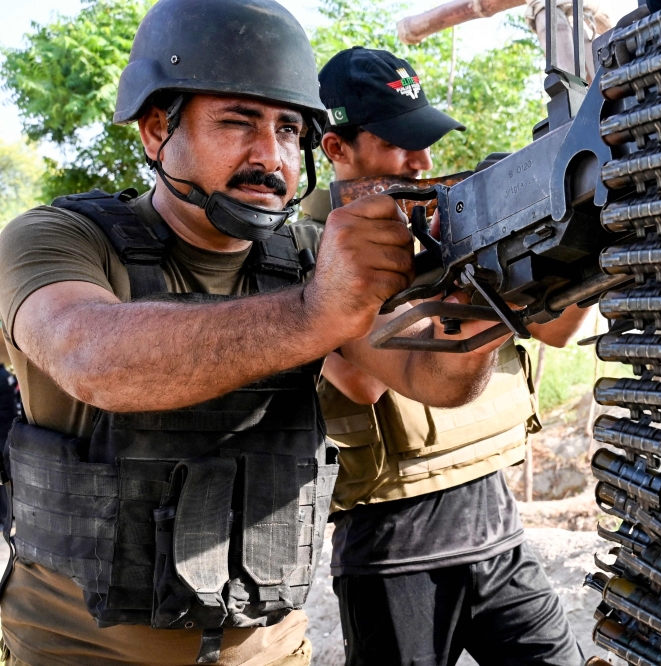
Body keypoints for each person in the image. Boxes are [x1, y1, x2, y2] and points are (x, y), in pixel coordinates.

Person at [0, 3, 506, 666]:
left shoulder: (312, 257)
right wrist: (312, 313)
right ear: (156, 130)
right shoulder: (59, 238)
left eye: (289, 129)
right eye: (238, 123)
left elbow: (438, 380)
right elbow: (91, 356)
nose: (270, 155)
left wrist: (495, 292)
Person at [296, 47, 591, 666]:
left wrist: (584, 244)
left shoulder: (445, 230)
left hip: (498, 530)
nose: (422, 162)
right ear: (336, 149)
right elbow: (383, 381)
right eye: (399, 144)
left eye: (424, 140)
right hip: (393, 555)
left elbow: (560, 332)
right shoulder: (313, 260)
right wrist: (475, 281)